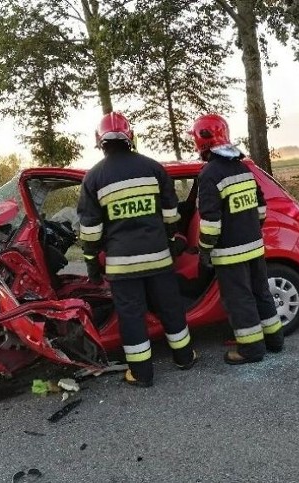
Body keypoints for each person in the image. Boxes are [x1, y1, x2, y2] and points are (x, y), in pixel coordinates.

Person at [77, 111, 197, 387]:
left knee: (131, 317)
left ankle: (141, 374)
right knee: (170, 308)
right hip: (158, 259)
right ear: (129, 137)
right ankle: (185, 357)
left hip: (123, 265)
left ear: (100, 141)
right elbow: (171, 215)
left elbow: (91, 232)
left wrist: (93, 266)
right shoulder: (154, 168)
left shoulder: (94, 178)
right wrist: (172, 241)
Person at [189, 113, 284, 364]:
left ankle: (251, 350)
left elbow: (210, 223)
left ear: (201, 141)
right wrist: (249, 228)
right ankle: (275, 341)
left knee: (239, 299)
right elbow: (261, 208)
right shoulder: (242, 168)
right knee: (261, 292)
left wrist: (203, 249)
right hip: (254, 247)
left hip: (229, 254)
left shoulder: (210, 174)